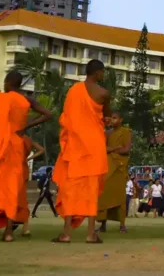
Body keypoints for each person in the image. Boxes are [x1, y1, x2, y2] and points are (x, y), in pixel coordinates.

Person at [0, 70, 53, 242]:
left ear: (8, 82)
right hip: (16, 143)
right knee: (12, 189)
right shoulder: (26, 100)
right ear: (20, 84)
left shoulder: (0, 98)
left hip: (0, 145)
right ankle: (8, 233)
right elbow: (48, 114)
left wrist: (1, 130)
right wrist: (27, 125)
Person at [53, 59, 111, 244]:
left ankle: (66, 233)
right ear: (98, 73)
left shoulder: (73, 91)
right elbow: (107, 116)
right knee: (92, 191)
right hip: (94, 146)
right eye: (102, 72)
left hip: (76, 147)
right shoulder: (103, 93)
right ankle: (90, 234)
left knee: (71, 189)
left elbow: (67, 118)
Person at [97, 112, 132, 233]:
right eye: (111, 118)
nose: (112, 120)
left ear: (121, 119)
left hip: (120, 168)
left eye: (115, 118)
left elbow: (126, 150)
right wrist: (114, 148)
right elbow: (102, 148)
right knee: (104, 194)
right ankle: (103, 223)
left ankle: (122, 224)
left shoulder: (126, 132)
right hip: (108, 166)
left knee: (120, 196)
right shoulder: (107, 133)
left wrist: (112, 150)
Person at [16, 135, 46, 237]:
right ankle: (25, 228)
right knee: (22, 198)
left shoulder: (11, 136)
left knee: (8, 197)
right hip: (23, 167)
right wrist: (28, 158)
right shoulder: (27, 139)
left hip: (12, 168)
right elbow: (42, 150)